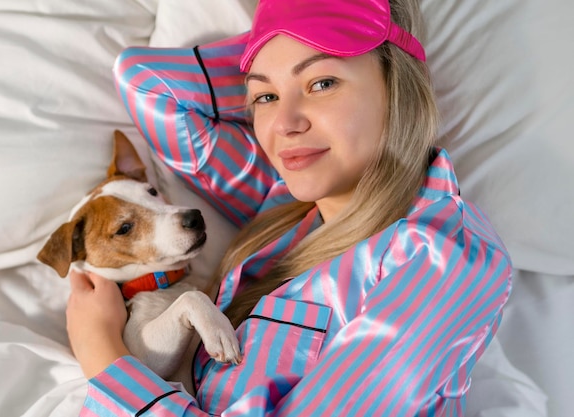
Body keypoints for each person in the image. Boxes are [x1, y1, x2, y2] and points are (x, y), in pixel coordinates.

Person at [66, 0, 512, 415]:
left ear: (400, 89)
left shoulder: (444, 255)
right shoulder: (282, 204)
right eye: (264, 97)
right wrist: (277, 34)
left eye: (322, 83)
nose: (283, 124)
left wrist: (104, 356)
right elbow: (146, 82)